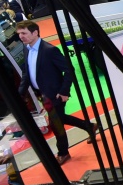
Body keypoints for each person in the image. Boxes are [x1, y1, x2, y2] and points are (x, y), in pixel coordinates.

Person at [15, 20, 96, 163]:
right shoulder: (26, 48)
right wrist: (20, 93)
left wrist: (64, 91)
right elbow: (26, 73)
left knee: (56, 123)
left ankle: (63, 152)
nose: (21, 36)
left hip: (55, 94)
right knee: (60, 118)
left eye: (24, 33)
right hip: (42, 94)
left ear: (35, 32)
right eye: (19, 34)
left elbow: (68, 70)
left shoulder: (49, 50)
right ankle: (90, 126)